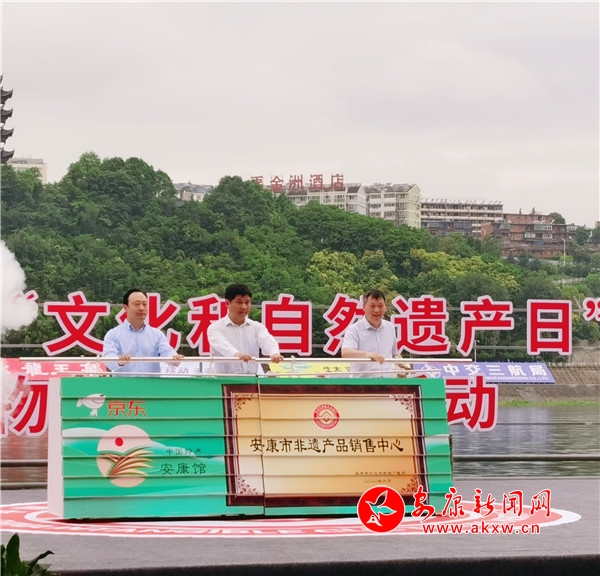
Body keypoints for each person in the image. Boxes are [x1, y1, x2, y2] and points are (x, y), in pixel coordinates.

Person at [103, 288, 184, 375]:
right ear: (126, 308)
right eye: (137, 304)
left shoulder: (157, 334)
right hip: (124, 383)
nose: (141, 308)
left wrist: (174, 358)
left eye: (145, 304)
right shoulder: (113, 334)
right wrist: (120, 361)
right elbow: (108, 360)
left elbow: (167, 351)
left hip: (151, 383)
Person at [207, 284, 283, 374]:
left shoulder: (257, 327)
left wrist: (274, 353)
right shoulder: (215, 328)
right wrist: (236, 354)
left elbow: (266, 339)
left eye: (247, 302)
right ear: (227, 303)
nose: (244, 307)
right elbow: (223, 345)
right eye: (239, 302)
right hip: (224, 379)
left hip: (251, 380)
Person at [341, 289, 410, 377]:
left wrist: (405, 367)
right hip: (363, 382)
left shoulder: (390, 327)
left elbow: (394, 353)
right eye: (372, 306)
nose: (377, 310)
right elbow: (346, 353)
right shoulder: (354, 329)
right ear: (364, 307)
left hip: (388, 381)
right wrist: (368, 355)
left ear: (385, 307)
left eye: (380, 306)